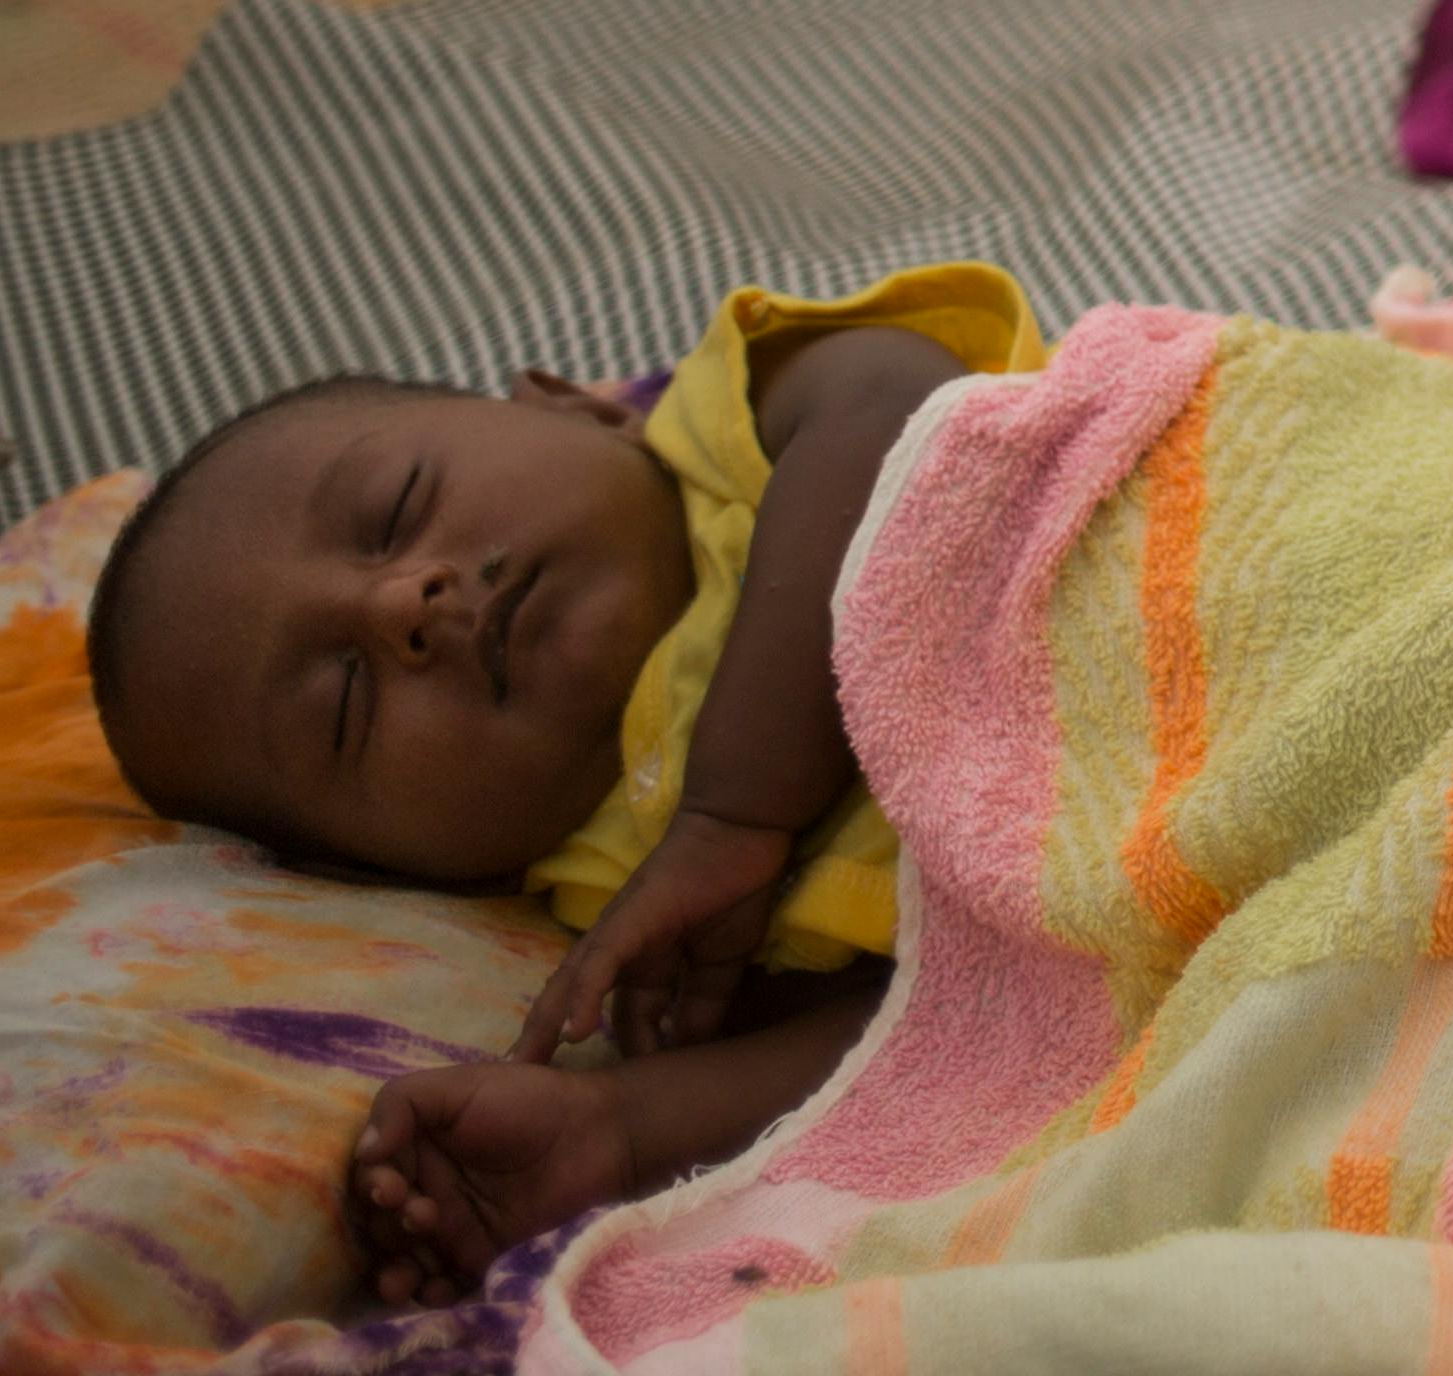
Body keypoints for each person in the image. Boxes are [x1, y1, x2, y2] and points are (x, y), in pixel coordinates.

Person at [81, 265, 1040, 1306]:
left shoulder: (740, 424)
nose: (406, 603)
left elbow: (901, 413)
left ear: (577, 406)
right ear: (386, 866)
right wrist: (622, 1130)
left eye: (398, 505)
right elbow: (950, 1035)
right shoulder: (636, 928)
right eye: (345, 704)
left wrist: (737, 809)